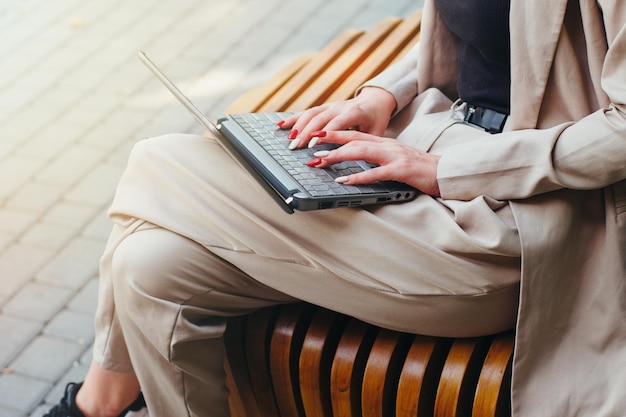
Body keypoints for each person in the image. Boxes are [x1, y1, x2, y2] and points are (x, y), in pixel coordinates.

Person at [43, 0, 626, 416]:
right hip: (422, 140)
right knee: (148, 267)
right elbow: (476, 44)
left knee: (158, 163)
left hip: (515, 218)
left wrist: (448, 171)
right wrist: (380, 95)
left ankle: (97, 404)